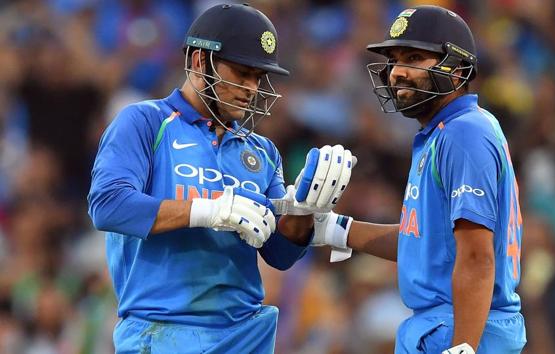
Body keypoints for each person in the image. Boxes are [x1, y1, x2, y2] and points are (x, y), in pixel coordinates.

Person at [87, 4, 354, 353]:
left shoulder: (262, 151)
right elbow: (108, 205)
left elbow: (280, 254)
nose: (252, 88)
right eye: (242, 73)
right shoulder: (145, 121)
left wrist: (304, 211)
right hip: (164, 330)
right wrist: (208, 211)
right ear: (199, 62)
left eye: (259, 77)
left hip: (246, 334)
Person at [297, 5, 526, 354]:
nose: (397, 73)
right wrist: (332, 228)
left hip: (461, 326)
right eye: (395, 59)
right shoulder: (442, 133)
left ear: (459, 69)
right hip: (447, 324)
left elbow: (477, 257)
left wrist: (463, 346)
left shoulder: (464, 133)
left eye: (415, 58)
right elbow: (425, 242)